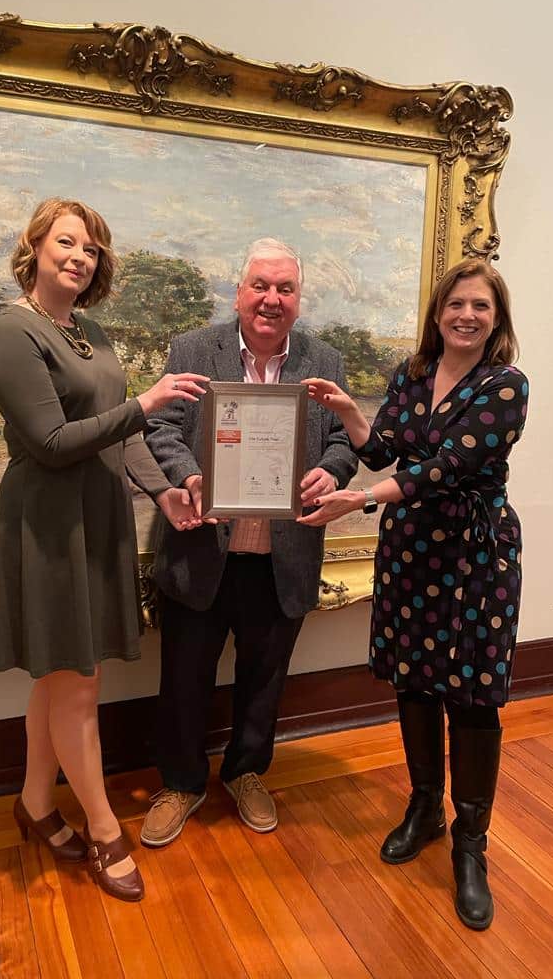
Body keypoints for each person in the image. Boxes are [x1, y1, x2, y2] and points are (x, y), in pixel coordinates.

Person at [0, 198, 207, 901]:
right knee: (77, 683)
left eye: (92, 249)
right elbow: (51, 444)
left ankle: (36, 803)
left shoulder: (88, 332)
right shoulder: (12, 333)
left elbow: (124, 434)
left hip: (97, 518)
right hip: (46, 527)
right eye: (68, 243)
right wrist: (145, 401)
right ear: (36, 248)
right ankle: (106, 830)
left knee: (59, 677)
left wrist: (165, 492)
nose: (80, 257)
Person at [298, 258, 528, 930]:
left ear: (496, 318)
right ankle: (425, 807)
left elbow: (450, 465)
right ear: (438, 313)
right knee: (416, 682)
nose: (466, 315)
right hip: (412, 548)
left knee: (474, 694)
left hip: (476, 552)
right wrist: (348, 412)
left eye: (480, 306)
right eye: (456, 303)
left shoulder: (506, 386)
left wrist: (360, 500)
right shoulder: (413, 373)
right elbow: (386, 449)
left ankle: (470, 843)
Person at [140, 238, 358, 847]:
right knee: (184, 678)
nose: (271, 299)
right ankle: (181, 783)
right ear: (239, 293)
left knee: (266, 678)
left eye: (284, 289)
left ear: (298, 298)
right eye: (260, 286)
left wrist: (332, 472)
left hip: (280, 558)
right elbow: (159, 429)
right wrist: (189, 474)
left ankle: (246, 772)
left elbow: (345, 441)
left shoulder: (326, 360)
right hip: (202, 551)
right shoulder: (192, 350)